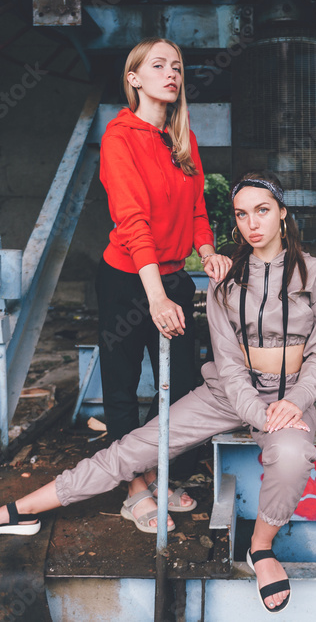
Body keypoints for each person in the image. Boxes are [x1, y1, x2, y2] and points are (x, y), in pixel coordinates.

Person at [0, 172, 316, 613]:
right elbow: (228, 362)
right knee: (134, 448)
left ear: (282, 213)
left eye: (263, 210)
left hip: (291, 396)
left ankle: (261, 547)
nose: (252, 223)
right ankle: (24, 508)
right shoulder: (225, 277)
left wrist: (293, 403)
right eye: (242, 214)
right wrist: (261, 414)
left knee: (292, 455)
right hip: (227, 393)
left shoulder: (315, 272)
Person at [100, 37, 231, 527]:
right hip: (127, 280)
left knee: (177, 388)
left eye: (176, 66)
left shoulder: (182, 140)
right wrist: (154, 298)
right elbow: (133, 223)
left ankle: (159, 472)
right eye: (158, 66)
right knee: (122, 386)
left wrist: (208, 253)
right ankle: (133, 488)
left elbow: (197, 209)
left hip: (174, 279)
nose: (171, 74)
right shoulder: (119, 137)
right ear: (134, 78)